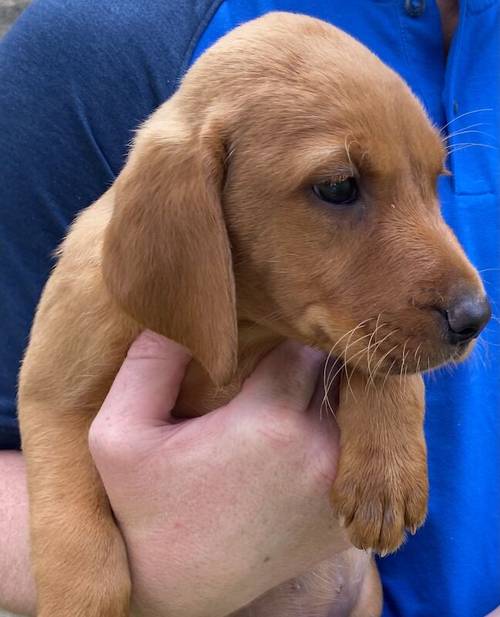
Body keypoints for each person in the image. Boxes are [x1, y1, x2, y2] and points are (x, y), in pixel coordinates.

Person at [0, 1, 498, 615]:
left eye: (433, 180)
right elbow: (50, 404)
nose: (473, 303)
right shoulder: (103, 45)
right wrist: (113, 582)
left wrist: (390, 392)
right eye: (340, 188)